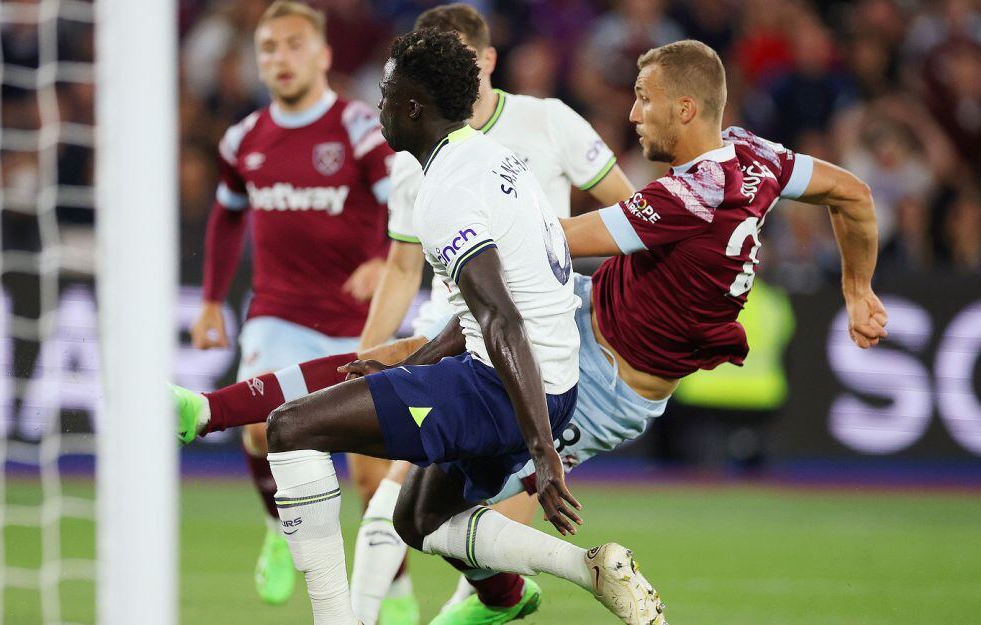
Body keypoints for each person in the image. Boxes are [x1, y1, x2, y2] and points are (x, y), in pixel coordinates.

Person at [177, 38, 887, 625]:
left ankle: (532, 588)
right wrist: (858, 289)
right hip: (581, 311)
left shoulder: (678, 199)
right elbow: (851, 194)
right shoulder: (755, 157)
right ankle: (209, 408)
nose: (633, 113)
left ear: (686, 107)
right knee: (410, 435)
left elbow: (556, 237)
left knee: (479, 526)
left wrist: (478, 213)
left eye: (644, 99)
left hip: (607, 385)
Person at [347, 5, 636, 622]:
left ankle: (490, 598)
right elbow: (403, 270)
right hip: (452, 339)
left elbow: (634, 218)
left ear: (488, 61)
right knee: (398, 505)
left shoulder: (547, 122)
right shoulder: (415, 154)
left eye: (458, 61)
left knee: (441, 522)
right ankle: (410, 604)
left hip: (533, 355)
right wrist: (369, 360)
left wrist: (587, 288)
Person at [188, 0, 393, 606]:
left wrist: (384, 257)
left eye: (294, 44)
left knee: (371, 473)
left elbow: (400, 202)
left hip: (360, 323)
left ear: (325, 54)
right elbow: (226, 218)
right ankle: (279, 529)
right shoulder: (243, 138)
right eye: (269, 48)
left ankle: (396, 590)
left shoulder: (358, 128)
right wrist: (208, 301)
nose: (281, 58)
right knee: (259, 432)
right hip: (277, 312)